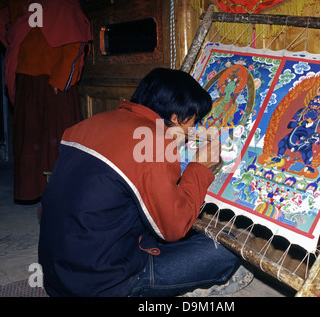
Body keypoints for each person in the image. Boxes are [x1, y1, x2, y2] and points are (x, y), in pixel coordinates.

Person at [38, 68, 250, 297]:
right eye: (194, 120)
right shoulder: (153, 142)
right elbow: (174, 229)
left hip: (56, 274)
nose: (193, 131)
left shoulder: (88, 124)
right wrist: (198, 168)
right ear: (177, 117)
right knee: (226, 249)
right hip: (102, 285)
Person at [0, 0, 92, 203]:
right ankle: (36, 191)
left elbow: (76, 37)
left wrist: (62, 76)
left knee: (59, 137)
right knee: (31, 138)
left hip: (53, 78)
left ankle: (65, 194)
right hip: (25, 74)